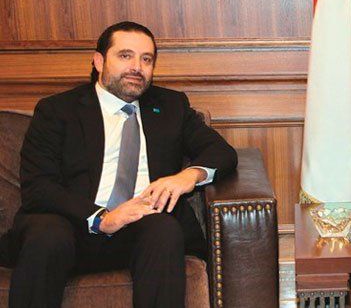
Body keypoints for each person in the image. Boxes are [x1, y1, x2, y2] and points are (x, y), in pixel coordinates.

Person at [1, 21, 237, 307]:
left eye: (146, 59)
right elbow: (39, 187)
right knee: (46, 235)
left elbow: (222, 152)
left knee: (164, 229)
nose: (136, 67)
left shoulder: (171, 106)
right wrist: (101, 218)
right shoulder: (57, 110)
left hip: (140, 230)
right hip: (73, 226)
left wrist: (188, 176)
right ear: (99, 61)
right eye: (125, 56)